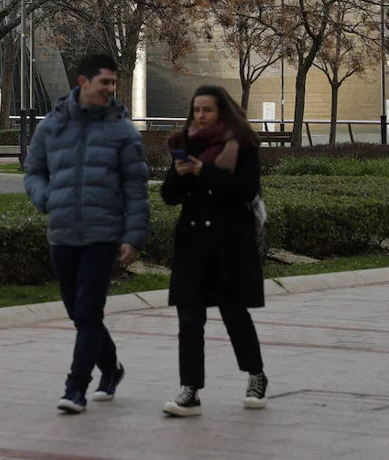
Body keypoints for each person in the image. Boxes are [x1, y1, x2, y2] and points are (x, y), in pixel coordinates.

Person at [24, 53, 150, 415]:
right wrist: (47, 198)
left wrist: (134, 236)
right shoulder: (52, 126)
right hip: (62, 233)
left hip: (103, 234)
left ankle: (76, 387)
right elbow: (33, 171)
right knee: (79, 313)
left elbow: (136, 189)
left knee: (90, 311)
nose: (110, 90)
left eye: (113, 84)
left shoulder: (123, 131)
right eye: (104, 83)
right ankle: (111, 368)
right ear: (83, 82)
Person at [160, 84, 267, 417]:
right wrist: (180, 176)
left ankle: (256, 375)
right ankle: (190, 390)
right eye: (196, 110)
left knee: (235, 315)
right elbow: (169, 196)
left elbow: (246, 189)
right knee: (190, 319)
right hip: (193, 244)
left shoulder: (242, 145)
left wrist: (204, 172)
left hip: (228, 245)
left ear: (223, 111)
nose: (201, 116)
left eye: (207, 110)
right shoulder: (184, 143)